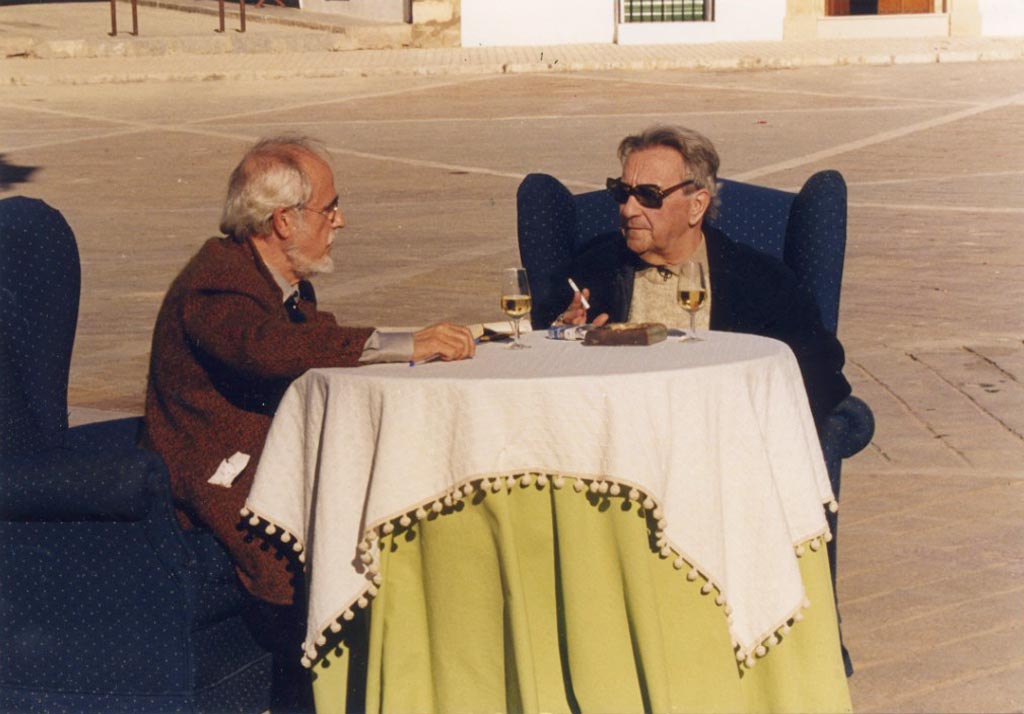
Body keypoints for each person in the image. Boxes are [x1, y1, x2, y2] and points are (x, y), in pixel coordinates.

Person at [141, 135, 474, 711]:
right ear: (283, 221)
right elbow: (265, 349)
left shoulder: (284, 283)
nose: (340, 220)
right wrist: (396, 343)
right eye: (329, 207)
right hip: (220, 476)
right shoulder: (216, 280)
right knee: (323, 555)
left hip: (275, 456)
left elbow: (307, 349)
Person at [557, 124, 850, 429]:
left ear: (697, 205)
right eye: (622, 192)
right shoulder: (593, 269)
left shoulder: (757, 280)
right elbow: (542, 350)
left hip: (723, 441)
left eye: (648, 195)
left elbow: (822, 370)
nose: (628, 209)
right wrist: (562, 335)